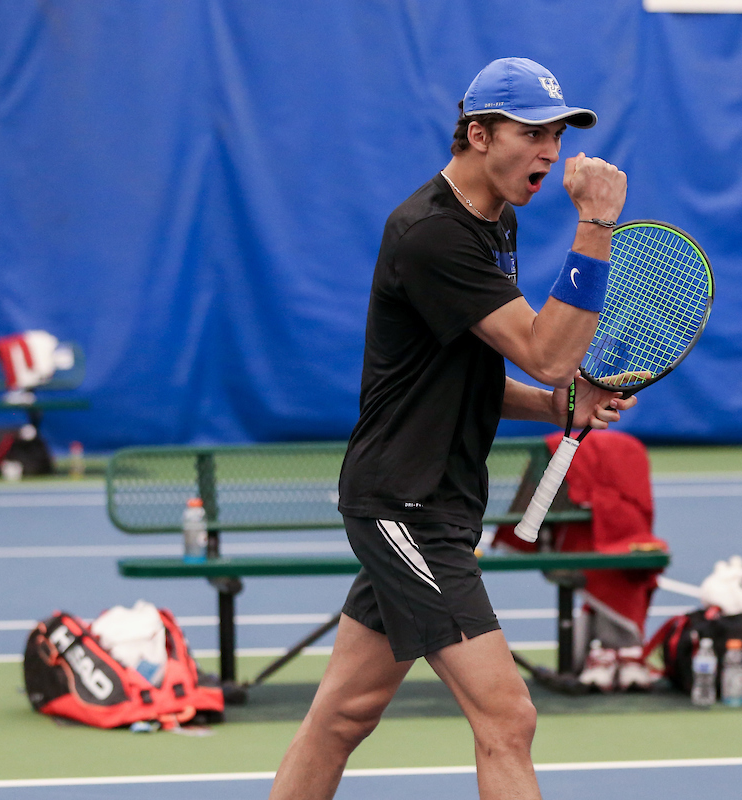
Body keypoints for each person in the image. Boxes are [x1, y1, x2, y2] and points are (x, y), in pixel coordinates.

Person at [269, 57, 632, 800]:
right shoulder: (434, 234)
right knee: (508, 716)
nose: (550, 153)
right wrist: (596, 225)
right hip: (407, 508)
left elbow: (468, 377)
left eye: (557, 135)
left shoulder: (493, 226)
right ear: (478, 133)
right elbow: (549, 353)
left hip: (431, 501)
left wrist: (559, 406)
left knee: (343, 714)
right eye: (532, 133)